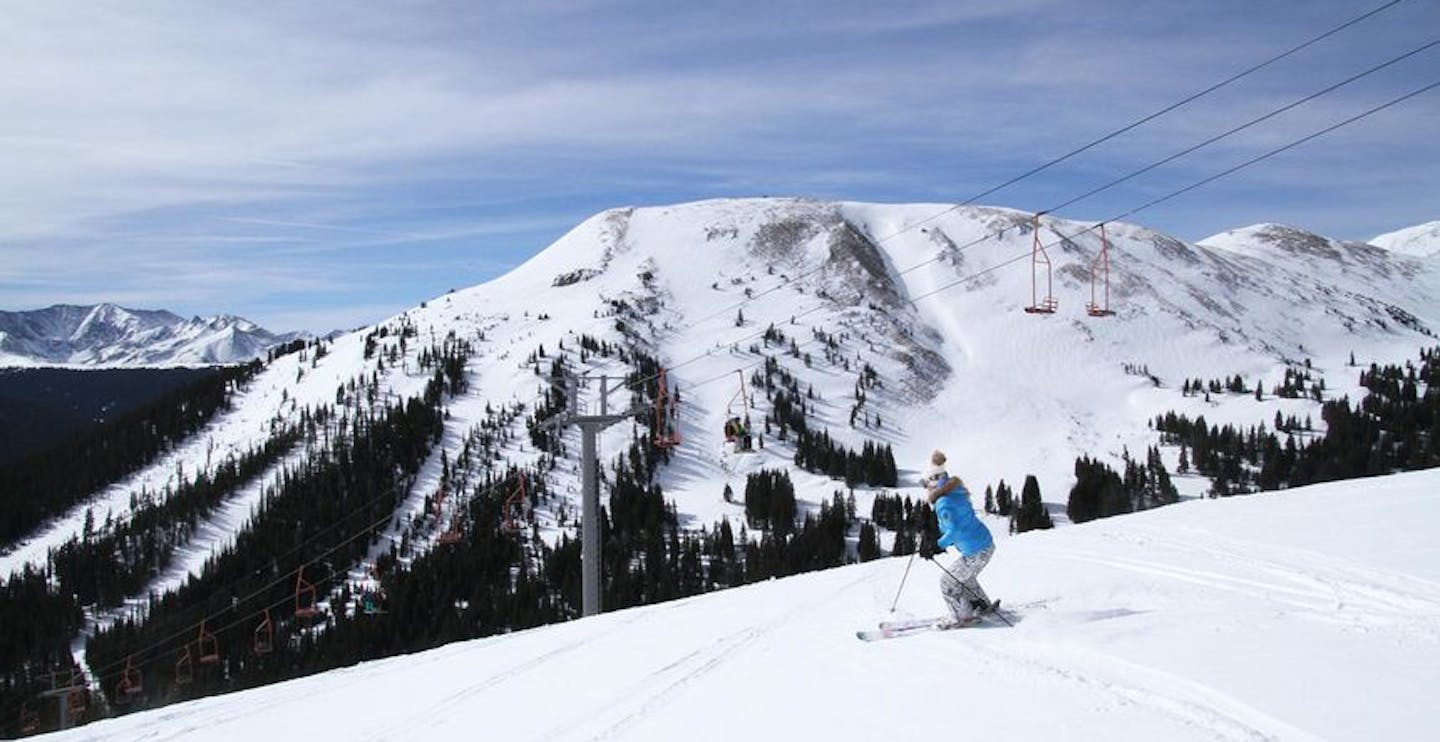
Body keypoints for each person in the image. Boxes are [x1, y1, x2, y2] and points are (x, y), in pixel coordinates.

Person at [922, 450, 996, 628]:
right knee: (964, 577)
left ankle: (960, 617)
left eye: (926, 484)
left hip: (975, 550)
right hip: (984, 544)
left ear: (934, 482)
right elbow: (957, 521)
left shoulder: (943, 502)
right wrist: (936, 533)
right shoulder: (956, 491)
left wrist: (937, 545)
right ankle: (981, 604)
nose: (926, 489)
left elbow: (954, 529)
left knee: (947, 581)